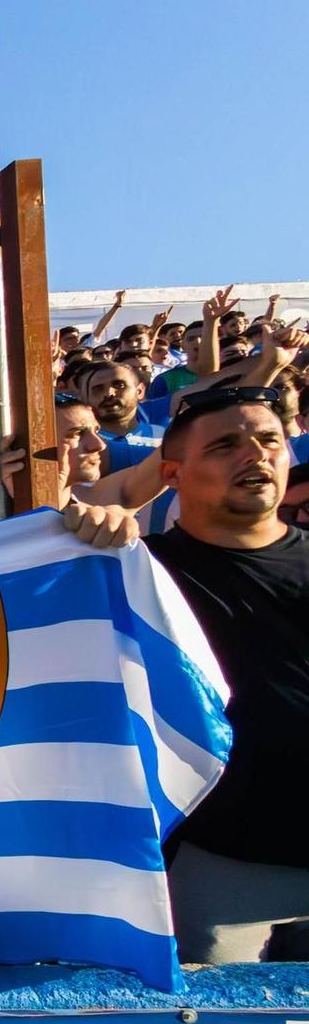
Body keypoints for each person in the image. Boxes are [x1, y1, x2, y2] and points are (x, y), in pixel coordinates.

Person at [143, 387, 309, 962]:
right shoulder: (135, 571)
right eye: (225, 446)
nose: (255, 455)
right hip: (221, 862)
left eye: (270, 441)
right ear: (172, 474)